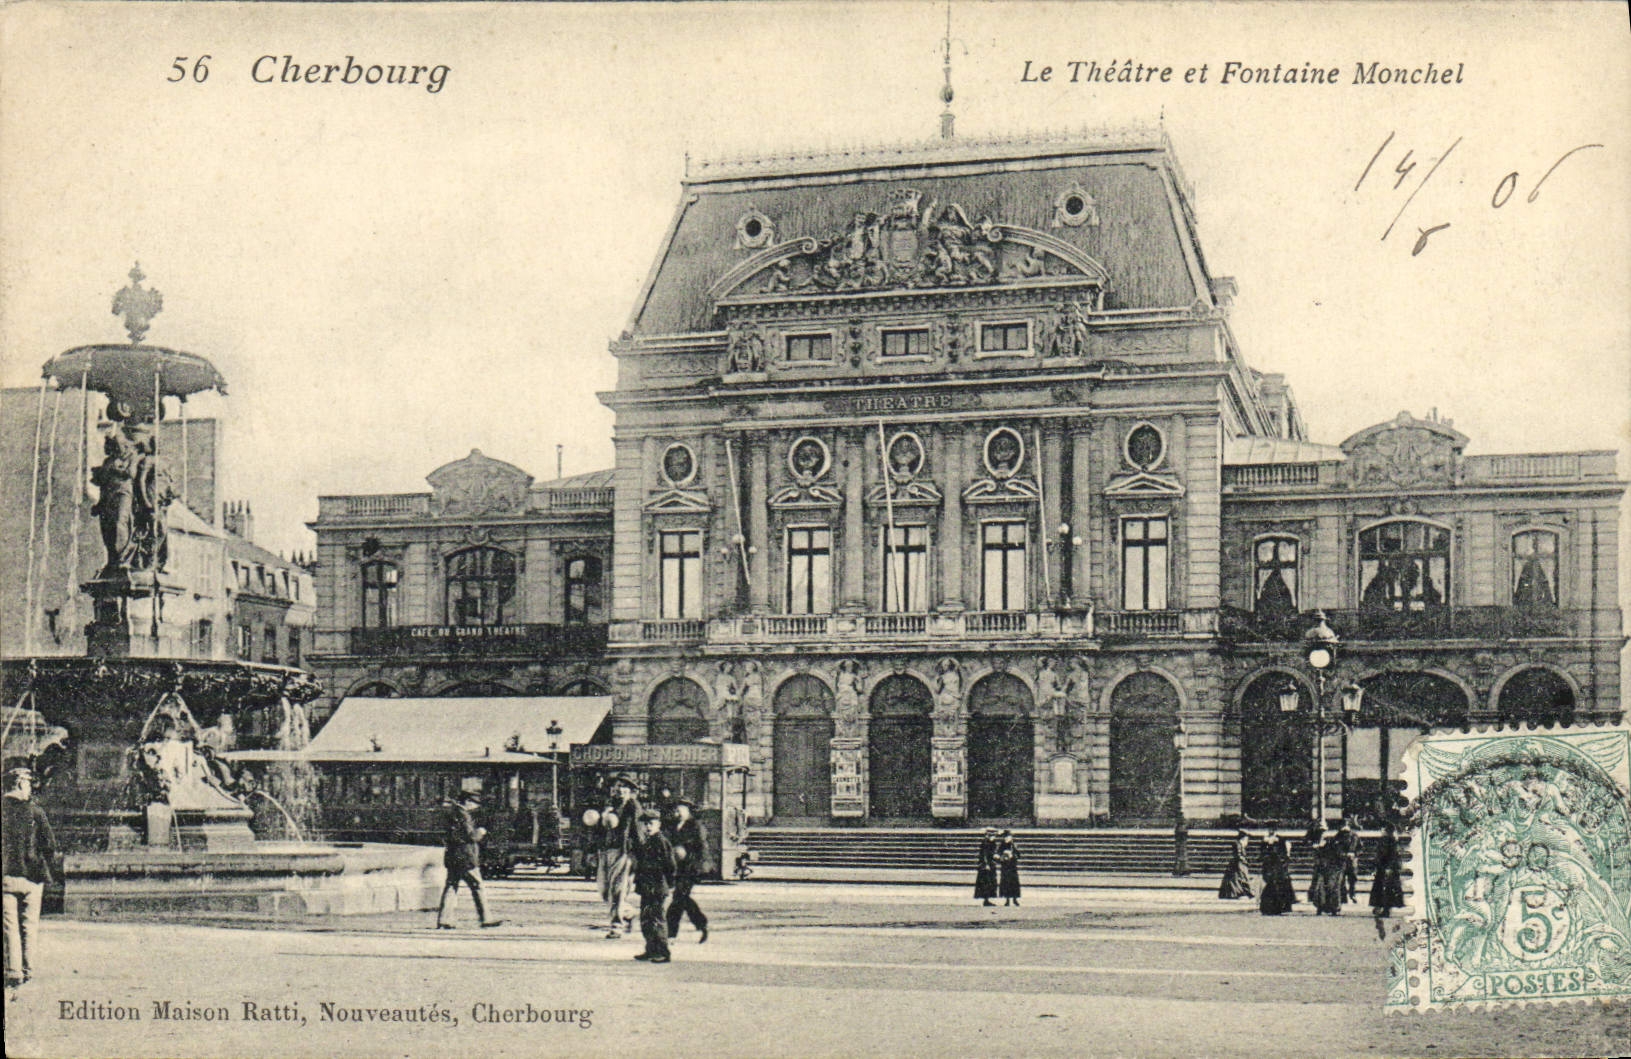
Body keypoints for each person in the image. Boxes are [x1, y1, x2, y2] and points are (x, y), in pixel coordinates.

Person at [4, 767, 58, 990]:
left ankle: (13, 971)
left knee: (9, 926)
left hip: (6, 877)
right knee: (30, 925)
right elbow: (50, 845)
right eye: (28, 783)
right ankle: (28, 969)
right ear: (19, 784)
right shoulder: (36, 812)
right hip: (32, 878)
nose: (30, 788)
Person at [435, 791, 501, 929]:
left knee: (451, 887)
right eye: (474, 803)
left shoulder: (452, 813)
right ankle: (486, 919)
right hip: (465, 856)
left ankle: (444, 920)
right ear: (467, 802)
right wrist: (481, 832)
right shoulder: (463, 815)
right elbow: (470, 835)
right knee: (478, 886)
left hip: (453, 856)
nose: (475, 806)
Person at [598, 774, 642, 938]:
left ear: (631, 791)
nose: (620, 790)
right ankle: (628, 914)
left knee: (617, 890)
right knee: (604, 891)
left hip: (623, 852)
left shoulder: (633, 807)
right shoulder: (611, 806)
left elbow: (638, 833)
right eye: (618, 786)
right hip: (606, 852)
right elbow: (599, 831)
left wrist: (638, 856)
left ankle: (616, 925)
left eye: (624, 787)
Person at [631, 809, 677, 963]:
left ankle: (663, 952)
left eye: (651, 823)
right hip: (647, 887)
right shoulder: (648, 841)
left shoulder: (661, 841)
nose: (648, 827)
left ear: (659, 824)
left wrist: (669, 884)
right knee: (646, 919)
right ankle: (651, 949)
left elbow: (670, 865)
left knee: (657, 919)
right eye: (645, 824)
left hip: (657, 886)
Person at [664, 798, 710, 943]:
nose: (677, 813)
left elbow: (701, 848)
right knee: (682, 899)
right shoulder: (673, 826)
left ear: (688, 811)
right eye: (676, 810)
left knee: (678, 899)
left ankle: (671, 933)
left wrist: (696, 863)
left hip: (691, 867)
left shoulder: (695, 826)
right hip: (677, 867)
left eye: (680, 810)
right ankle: (701, 924)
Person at [1368, 821, 1406, 938]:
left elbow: (1392, 856)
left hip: (1387, 869)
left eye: (1383, 829)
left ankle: (1385, 908)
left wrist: (1388, 867)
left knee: (1387, 889)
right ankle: (1382, 907)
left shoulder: (1390, 841)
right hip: (1384, 868)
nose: (1381, 830)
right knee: (1384, 889)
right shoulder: (1389, 841)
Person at [1258, 830, 1296, 916]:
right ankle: (1271, 907)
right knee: (1272, 886)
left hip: (1277, 867)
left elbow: (1284, 854)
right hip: (1269, 866)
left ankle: (1276, 907)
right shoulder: (1265, 841)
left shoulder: (1280, 840)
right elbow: (1262, 854)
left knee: (1276, 886)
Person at [1308, 835, 1346, 915]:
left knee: (1329, 889)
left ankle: (1330, 908)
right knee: (1323, 889)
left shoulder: (1332, 849)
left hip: (1331, 871)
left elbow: (1340, 860)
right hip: (1325, 870)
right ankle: (1325, 907)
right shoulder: (1323, 849)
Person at [1218, 828, 1254, 899]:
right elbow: (1238, 855)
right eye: (1246, 838)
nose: (1247, 841)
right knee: (1238, 878)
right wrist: (1244, 861)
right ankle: (1239, 893)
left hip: (1240, 863)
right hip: (1238, 864)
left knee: (1241, 878)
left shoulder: (1240, 844)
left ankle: (1243, 892)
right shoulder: (1237, 844)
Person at [1335, 819, 1362, 903]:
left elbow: (1360, 848)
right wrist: (1342, 854)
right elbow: (1335, 848)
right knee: (1341, 880)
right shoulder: (1338, 836)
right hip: (1341, 861)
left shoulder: (1355, 836)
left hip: (1352, 861)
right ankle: (1343, 898)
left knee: (1352, 879)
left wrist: (1355, 854)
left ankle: (1352, 894)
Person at [973, 828, 998, 907]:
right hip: (986, 866)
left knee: (990, 882)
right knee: (986, 882)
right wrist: (986, 864)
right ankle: (986, 900)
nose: (995, 837)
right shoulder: (986, 843)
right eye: (993, 835)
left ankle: (987, 899)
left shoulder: (991, 842)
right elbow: (984, 854)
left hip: (990, 865)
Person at [997, 830, 1021, 907]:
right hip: (1005, 867)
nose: (1006, 838)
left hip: (1012, 866)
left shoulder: (1013, 845)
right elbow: (998, 854)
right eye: (1005, 837)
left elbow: (1018, 855)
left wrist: (1012, 856)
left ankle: (1014, 899)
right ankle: (1007, 900)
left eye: (1008, 837)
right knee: (1005, 883)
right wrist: (1002, 857)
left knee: (1013, 882)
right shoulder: (1002, 845)